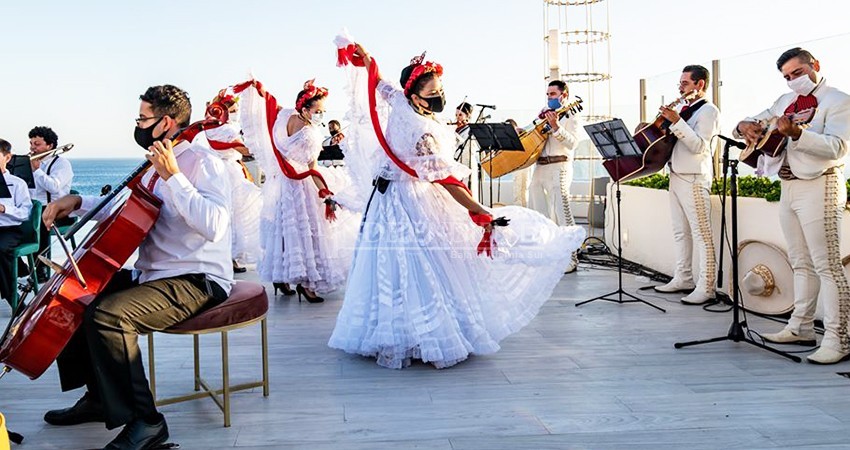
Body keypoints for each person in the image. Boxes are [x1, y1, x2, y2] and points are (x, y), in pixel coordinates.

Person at [328, 41, 585, 369]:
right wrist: (479, 210)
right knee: (422, 266)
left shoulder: (402, 103)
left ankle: (394, 330)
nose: (440, 96)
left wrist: (366, 59)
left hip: (387, 199)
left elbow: (381, 84)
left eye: (441, 89)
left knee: (393, 269)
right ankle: (424, 335)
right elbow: (447, 181)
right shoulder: (423, 131)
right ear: (416, 95)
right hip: (410, 201)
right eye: (433, 91)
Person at [40, 84, 233, 449]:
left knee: (109, 316)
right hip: (156, 274)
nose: (138, 125)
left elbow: (215, 225)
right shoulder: (150, 167)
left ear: (166, 123)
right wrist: (77, 200)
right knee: (77, 295)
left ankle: (147, 422)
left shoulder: (203, 164)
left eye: (143, 118)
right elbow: (126, 209)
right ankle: (99, 398)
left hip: (197, 278)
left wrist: (174, 177)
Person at [735, 48, 850, 364]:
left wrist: (797, 134)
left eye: (797, 73)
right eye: (786, 77)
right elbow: (752, 122)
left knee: (827, 265)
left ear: (815, 65)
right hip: (789, 186)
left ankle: (838, 338)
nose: (792, 81)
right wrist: (744, 126)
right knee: (800, 261)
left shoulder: (839, 100)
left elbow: (838, 148)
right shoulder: (784, 103)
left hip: (822, 184)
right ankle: (800, 327)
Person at [237, 79, 355, 302]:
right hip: (300, 185)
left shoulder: (286, 117)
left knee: (284, 230)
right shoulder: (310, 135)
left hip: (281, 182)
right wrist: (325, 192)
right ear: (305, 109)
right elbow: (312, 168)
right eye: (318, 111)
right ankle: (306, 284)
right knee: (305, 235)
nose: (321, 114)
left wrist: (261, 91)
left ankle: (281, 278)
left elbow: (275, 107)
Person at [651, 65, 720, 305]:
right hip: (676, 174)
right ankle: (683, 277)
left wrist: (677, 121)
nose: (680, 87)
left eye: (685, 83)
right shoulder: (684, 109)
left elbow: (700, 146)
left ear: (700, 84)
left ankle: (707, 286)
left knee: (702, 234)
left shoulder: (709, 111)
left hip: (694, 177)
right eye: (680, 83)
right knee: (680, 232)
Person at [203, 88, 262, 274]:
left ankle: (221, 255)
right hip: (230, 172)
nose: (237, 113)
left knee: (222, 214)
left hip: (216, 171)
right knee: (235, 215)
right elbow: (244, 149)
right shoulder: (228, 129)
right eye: (235, 110)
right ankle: (230, 257)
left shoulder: (209, 127)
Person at [527, 80, 581, 273]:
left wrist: (556, 127)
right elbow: (532, 133)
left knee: (562, 213)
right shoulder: (543, 113)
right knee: (538, 213)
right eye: (548, 94)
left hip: (560, 166)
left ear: (563, 95)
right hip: (540, 167)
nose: (549, 97)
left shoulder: (571, 116)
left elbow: (573, 143)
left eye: (552, 94)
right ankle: (546, 255)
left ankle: (572, 258)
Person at [28, 126, 74, 281]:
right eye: (31, 144)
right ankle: (21, 268)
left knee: (37, 220)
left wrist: (37, 171)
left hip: (58, 210)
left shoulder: (62, 164)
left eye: (37, 144)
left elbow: (54, 186)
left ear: (49, 146)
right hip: (35, 208)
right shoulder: (30, 163)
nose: (32, 148)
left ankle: (40, 268)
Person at [0, 138, 32, 307]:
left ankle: (14, 300)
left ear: (8, 157)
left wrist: (5, 208)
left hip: (9, 229)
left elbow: (26, 212)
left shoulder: (18, 183)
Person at [454, 102, 480, 201]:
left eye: (460, 115)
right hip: (457, 162)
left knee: (469, 190)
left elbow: (463, 142)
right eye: (456, 115)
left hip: (467, 162)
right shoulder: (455, 129)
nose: (457, 118)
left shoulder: (471, 129)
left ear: (468, 115)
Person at [506, 118, 532, 207]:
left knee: (522, 190)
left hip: (524, 164)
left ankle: (523, 211)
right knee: (518, 190)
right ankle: (520, 209)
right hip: (517, 164)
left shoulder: (521, 132)